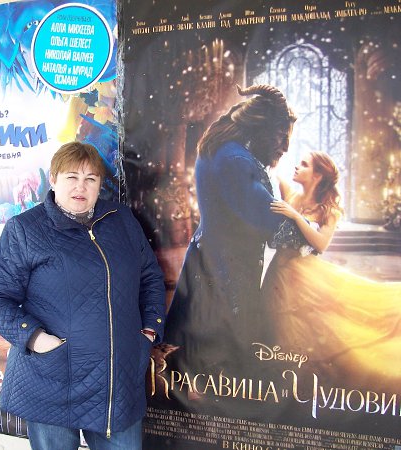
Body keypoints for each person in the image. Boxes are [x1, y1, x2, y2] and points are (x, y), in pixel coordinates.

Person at [0, 141, 166, 450]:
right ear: (53, 180)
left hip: (115, 383)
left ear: (99, 185)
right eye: (72, 177)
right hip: (51, 377)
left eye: (90, 178)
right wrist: (36, 339)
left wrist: (149, 330)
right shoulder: (25, 229)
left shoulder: (121, 220)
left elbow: (150, 278)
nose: (81, 186)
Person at [163, 84, 297, 375]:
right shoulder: (236, 160)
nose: (285, 147)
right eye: (281, 135)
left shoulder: (224, 150)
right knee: (226, 367)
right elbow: (268, 218)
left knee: (194, 361)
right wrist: (308, 227)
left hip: (210, 262)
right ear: (261, 128)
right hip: (226, 274)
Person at [262, 151, 401, 388]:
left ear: (317, 176)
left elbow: (321, 244)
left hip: (304, 274)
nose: (297, 167)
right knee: (282, 327)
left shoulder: (329, 210)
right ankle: (286, 379)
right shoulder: (290, 194)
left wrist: (296, 216)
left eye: (304, 165)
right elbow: (271, 168)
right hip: (279, 272)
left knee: (328, 322)